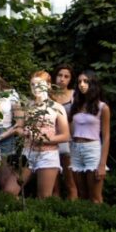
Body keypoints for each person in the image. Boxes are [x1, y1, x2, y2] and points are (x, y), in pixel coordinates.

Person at [2, 71, 70, 199]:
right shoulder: (27, 106)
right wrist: (25, 133)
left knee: (44, 197)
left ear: (48, 86)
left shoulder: (57, 107)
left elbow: (65, 135)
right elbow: (19, 128)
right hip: (27, 153)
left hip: (48, 154)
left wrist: (43, 140)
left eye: (39, 84)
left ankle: (39, 218)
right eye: (32, 85)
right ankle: (19, 216)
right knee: (8, 193)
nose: (35, 88)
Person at [69, 70, 111, 203]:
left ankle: (99, 222)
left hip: (92, 150)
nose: (82, 84)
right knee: (81, 195)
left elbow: (106, 136)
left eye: (86, 81)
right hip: (75, 150)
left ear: (93, 84)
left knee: (95, 197)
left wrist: (102, 164)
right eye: (79, 82)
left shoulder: (102, 107)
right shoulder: (76, 106)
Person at [51, 64, 78, 200]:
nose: (62, 79)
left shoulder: (73, 95)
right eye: (60, 75)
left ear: (70, 79)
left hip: (68, 139)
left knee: (70, 180)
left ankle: (73, 207)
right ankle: (55, 207)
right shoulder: (49, 95)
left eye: (66, 76)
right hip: (50, 138)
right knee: (54, 181)